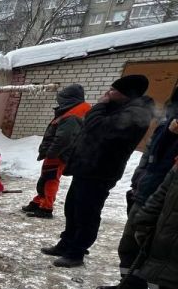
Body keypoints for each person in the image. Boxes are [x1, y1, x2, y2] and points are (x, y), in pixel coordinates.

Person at [41, 74, 154, 267]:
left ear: (126, 94)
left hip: (101, 171)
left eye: (113, 91)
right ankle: (66, 243)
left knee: (87, 212)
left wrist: (100, 105)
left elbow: (96, 127)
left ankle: (77, 252)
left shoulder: (135, 113)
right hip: (86, 166)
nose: (107, 93)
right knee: (73, 208)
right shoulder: (118, 108)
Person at [96, 86, 178, 289]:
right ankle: (131, 284)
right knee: (130, 243)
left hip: (168, 199)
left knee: (156, 252)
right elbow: (151, 156)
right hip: (146, 191)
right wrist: (138, 181)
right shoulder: (168, 122)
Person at [21, 84, 90, 219]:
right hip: (57, 153)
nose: (59, 101)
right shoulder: (71, 111)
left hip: (58, 154)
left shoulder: (72, 115)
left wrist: (52, 152)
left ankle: (46, 208)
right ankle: (38, 201)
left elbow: (64, 138)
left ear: (70, 99)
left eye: (62, 98)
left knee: (50, 180)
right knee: (45, 179)